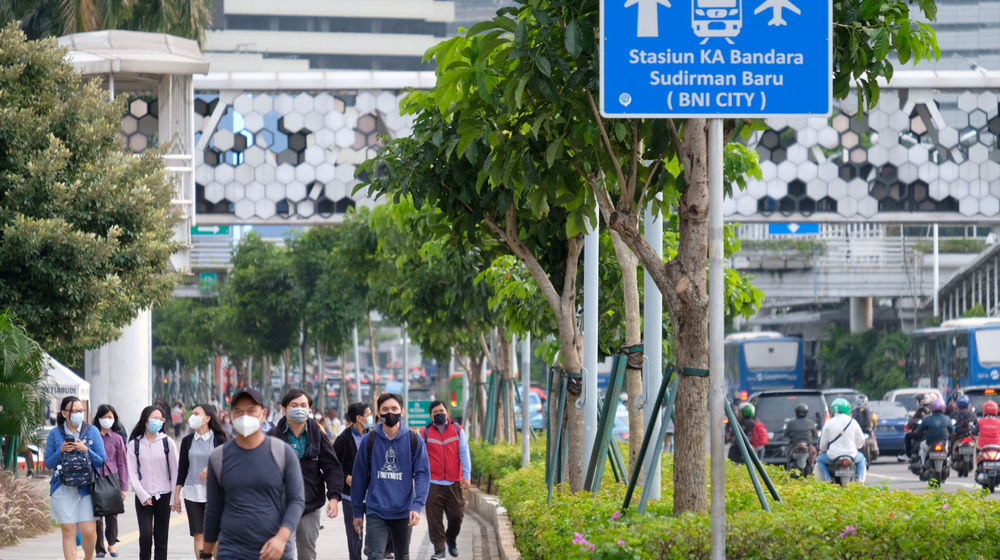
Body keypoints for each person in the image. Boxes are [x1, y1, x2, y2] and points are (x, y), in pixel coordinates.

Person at [202, 388, 305, 560]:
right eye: (239, 412)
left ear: (263, 414)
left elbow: (297, 500)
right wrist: (205, 553)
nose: (245, 416)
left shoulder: (282, 452)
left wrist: (281, 538)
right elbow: (213, 509)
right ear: (231, 416)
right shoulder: (219, 457)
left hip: (274, 551)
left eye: (251, 410)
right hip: (231, 551)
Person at [351, 393, 430, 560]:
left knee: (402, 555)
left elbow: (422, 474)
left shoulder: (414, 440)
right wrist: (357, 511)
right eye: (385, 409)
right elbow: (359, 478)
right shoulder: (369, 440)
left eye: (394, 409)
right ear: (379, 414)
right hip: (376, 511)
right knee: (375, 555)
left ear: (402, 412)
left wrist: (417, 506)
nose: (390, 412)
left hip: (404, 512)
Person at [268, 389, 344, 560]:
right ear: (284, 409)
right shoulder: (273, 435)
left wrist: (334, 497)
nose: (299, 409)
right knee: (280, 553)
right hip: (280, 504)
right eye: (294, 405)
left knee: (307, 554)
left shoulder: (317, 434)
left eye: (303, 405)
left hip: (310, 504)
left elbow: (332, 466)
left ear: (310, 409)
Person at [44, 396, 107, 560]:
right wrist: (61, 450)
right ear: (64, 413)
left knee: (88, 530)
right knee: (68, 529)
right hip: (62, 487)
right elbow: (48, 464)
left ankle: (88, 557)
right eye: (75, 411)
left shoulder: (92, 431)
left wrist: (86, 449)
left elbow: (101, 460)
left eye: (81, 411)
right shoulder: (55, 434)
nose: (79, 414)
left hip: (87, 488)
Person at [174, 404, 228, 560]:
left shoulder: (219, 439)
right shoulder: (187, 441)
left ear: (207, 418)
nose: (193, 416)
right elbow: (182, 470)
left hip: (215, 494)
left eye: (197, 413)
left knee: (216, 535)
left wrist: (210, 467)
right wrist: (176, 496)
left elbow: (227, 463)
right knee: (198, 535)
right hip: (192, 494)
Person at [126, 405, 179, 560]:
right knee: (146, 536)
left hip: (164, 495)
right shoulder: (134, 444)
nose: (158, 421)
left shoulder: (167, 443)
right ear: (145, 420)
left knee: (161, 539)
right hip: (143, 498)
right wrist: (142, 495)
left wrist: (174, 497)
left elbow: (176, 471)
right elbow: (132, 473)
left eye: (161, 419)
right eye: (155, 418)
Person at [421, 401, 472, 559]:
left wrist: (466, 475)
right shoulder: (425, 433)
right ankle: (439, 549)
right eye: (435, 412)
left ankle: (451, 538)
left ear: (447, 412)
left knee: (456, 516)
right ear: (431, 416)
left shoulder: (457, 430)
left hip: (453, 482)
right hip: (433, 483)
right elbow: (420, 459)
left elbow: (464, 453)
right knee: (434, 519)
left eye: (441, 410)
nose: (439, 414)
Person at [333, 402, 372, 560]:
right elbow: (333, 464)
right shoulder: (343, 439)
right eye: (368, 414)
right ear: (359, 418)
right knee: (355, 537)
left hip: (372, 495)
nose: (371, 417)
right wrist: (345, 477)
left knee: (375, 535)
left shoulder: (374, 436)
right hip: (351, 496)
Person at [93, 404, 129, 559]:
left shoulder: (117, 438)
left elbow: (122, 463)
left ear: (114, 419)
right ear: (98, 418)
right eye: (104, 417)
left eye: (110, 417)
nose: (107, 420)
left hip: (112, 480)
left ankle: (112, 543)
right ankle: (99, 548)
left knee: (112, 514)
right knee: (97, 516)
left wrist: (124, 487)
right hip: (95, 479)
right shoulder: (92, 436)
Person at [816, 398, 866, 483]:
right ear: (847, 409)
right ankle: (860, 481)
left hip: (833, 456)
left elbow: (822, 446)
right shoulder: (853, 422)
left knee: (819, 460)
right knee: (862, 459)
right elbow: (861, 440)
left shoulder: (828, 423)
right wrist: (856, 447)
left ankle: (827, 479)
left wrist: (824, 450)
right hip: (852, 455)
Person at [914, 397, 953, 466]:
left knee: (922, 448)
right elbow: (952, 431)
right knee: (948, 448)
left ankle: (923, 464)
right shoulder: (947, 419)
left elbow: (919, 430)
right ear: (943, 408)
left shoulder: (927, 419)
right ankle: (947, 462)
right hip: (943, 443)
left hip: (929, 443)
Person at [782, 403, 817, 469]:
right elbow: (815, 434)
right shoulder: (811, 422)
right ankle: (812, 465)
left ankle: (788, 466)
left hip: (795, 445)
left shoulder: (791, 423)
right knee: (814, 452)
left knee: (788, 454)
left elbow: (786, 434)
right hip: (808, 445)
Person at [904, 393, 933, 459]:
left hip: (923, 433)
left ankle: (908, 455)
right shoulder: (933, 409)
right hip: (933, 433)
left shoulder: (921, 410)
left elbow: (913, 421)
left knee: (907, 436)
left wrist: (910, 427)